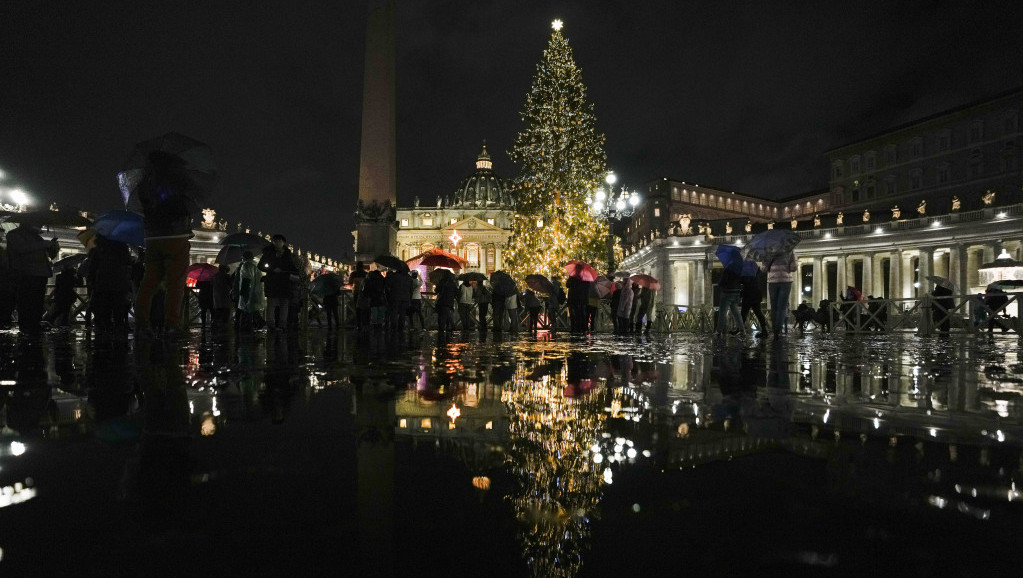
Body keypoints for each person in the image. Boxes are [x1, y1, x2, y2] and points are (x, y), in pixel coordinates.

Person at [134, 151, 199, 337]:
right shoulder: (175, 182)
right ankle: (171, 325)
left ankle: (141, 325)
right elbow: (183, 206)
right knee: (176, 283)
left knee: (149, 282)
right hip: (175, 236)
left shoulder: (144, 184)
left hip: (152, 237)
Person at [6, 223, 59, 336]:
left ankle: (35, 323)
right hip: (27, 273)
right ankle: (26, 325)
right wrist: (42, 244)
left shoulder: (37, 237)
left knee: (38, 301)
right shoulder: (14, 235)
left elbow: (48, 255)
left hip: (40, 273)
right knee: (27, 301)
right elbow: (20, 249)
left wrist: (53, 248)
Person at [88, 235, 133, 333]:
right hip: (119, 283)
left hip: (102, 283)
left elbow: (92, 267)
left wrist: (92, 282)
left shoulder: (99, 249)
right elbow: (128, 262)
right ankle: (119, 332)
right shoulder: (122, 247)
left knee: (105, 311)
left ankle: (104, 333)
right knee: (119, 310)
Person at [258, 234, 298, 331]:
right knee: (271, 303)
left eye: (280, 241)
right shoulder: (268, 253)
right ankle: (271, 324)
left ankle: (282, 324)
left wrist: (294, 272)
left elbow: (292, 267)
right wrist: (272, 269)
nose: (278, 243)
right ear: (273, 242)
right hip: (272, 281)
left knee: (284, 304)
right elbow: (260, 266)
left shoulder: (288, 254)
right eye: (276, 241)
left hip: (284, 281)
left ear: (283, 243)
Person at [764, 250, 797, 337]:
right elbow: (794, 268)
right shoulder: (789, 251)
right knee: (782, 307)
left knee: (773, 306)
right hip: (786, 281)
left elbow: (764, 268)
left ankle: (774, 328)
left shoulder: (768, 252)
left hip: (772, 281)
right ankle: (778, 329)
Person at [235, 251, 265, 332]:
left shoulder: (246, 265)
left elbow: (246, 280)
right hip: (256, 292)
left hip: (248, 291)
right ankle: (258, 323)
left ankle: (247, 328)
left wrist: (243, 292)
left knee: (247, 310)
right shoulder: (256, 266)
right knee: (253, 309)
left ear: (244, 258)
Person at [716, 266, 744, 337]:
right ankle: (742, 329)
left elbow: (722, 281)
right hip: (736, 293)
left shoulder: (728, 269)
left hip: (727, 293)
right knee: (736, 312)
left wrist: (720, 285)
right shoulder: (739, 269)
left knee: (722, 313)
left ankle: (719, 331)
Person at [740, 267, 768, 337]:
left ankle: (741, 330)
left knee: (743, 314)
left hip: (748, 296)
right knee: (758, 313)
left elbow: (745, 283)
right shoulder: (756, 271)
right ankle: (764, 330)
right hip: (756, 295)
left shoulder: (746, 272)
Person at [566, 265, 590, 332]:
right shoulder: (585, 277)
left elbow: (567, 285)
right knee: (581, 314)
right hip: (582, 299)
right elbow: (587, 287)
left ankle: (574, 328)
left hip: (573, 298)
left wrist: (570, 277)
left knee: (574, 315)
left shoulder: (572, 277)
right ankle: (582, 328)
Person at [350, 262, 369, 330]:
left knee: (357, 309)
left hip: (356, 292)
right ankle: (365, 323)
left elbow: (350, 282)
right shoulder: (366, 274)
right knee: (365, 308)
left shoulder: (353, 274)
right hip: (364, 293)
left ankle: (358, 324)